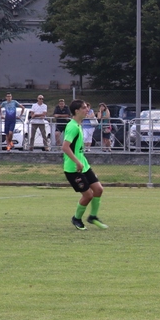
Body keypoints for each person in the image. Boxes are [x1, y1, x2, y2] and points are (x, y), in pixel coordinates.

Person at [60, 99, 107, 230]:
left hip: (83, 165)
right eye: (84, 108)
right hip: (73, 169)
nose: (87, 110)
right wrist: (77, 162)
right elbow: (65, 147)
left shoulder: (78, 125)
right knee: (88, 195)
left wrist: (82, 162)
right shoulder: (72, 127)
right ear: (77, 111)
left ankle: (93, 217)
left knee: (98, 189)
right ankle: (76, 218)